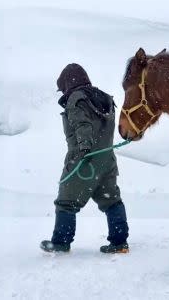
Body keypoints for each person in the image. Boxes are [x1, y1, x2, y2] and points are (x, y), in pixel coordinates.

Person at [40, 63, 129, 254]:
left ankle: (61, 243)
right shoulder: (104, 98)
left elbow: (82, 124)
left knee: (66, 202)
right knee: (111, 200)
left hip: (84, 161)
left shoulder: (76, 98)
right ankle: (120, 242)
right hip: (106, 160)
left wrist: (84, 148)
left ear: (67, 83)